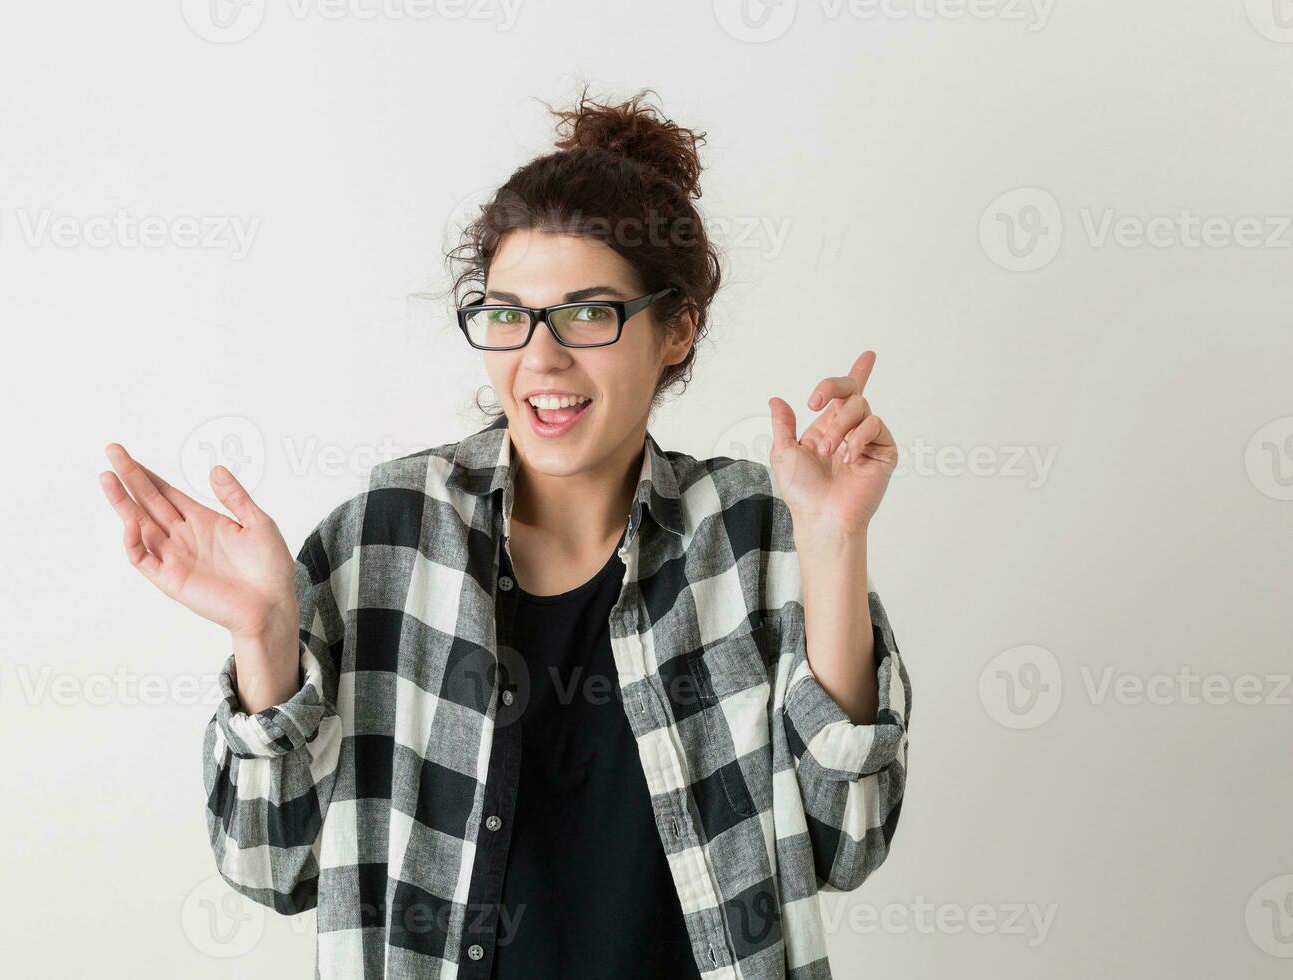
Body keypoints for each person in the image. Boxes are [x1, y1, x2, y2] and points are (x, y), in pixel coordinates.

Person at [99, 87, 912, 980]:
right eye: (506, 314)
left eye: (588, 313)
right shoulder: (384, 543)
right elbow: (269, 866)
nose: (540, 357)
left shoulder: (753, 536)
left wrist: (834, 541)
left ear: (675, 329)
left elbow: (849, 842)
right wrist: (263, 638)